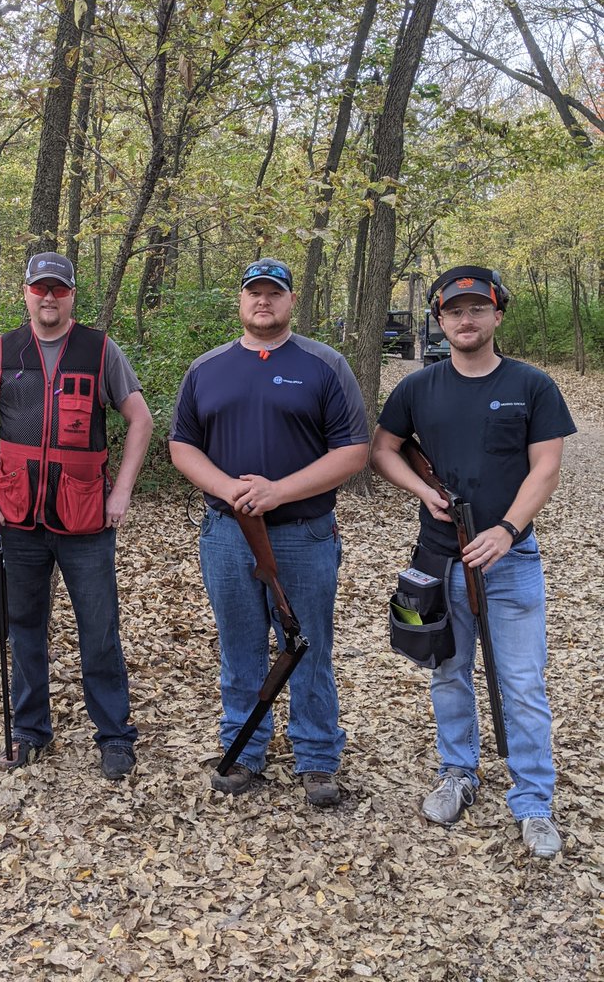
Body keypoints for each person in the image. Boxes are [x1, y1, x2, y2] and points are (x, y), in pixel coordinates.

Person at [370, 266, 575, 860]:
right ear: (440, 319)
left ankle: (534, 800)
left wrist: (509, 530)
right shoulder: (418, 388)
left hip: (510, 561)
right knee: (448, 671)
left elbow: (546, 468)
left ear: (497, 315)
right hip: (439, 559)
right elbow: (382, 449)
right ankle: (457, 773)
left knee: (522, 684)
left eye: (477, 309)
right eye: (454, 310)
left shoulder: (533, 385)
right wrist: (422, 490)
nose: (466, 319)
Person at [169, 258, 369, 801]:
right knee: (239, 647)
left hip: (304, 533)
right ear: (240, 301)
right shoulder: (206, 369)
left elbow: (353, 451)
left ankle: (318, 756)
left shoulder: (325, 365)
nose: (264, 301)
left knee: (306, 645)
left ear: (290, 301)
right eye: (254, 292)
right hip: (227, 534)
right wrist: (227, 488)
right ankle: (243, 750)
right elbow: (181, 445)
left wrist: (280, 490)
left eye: (274, 293)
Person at [0, 252, 153, 781]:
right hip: (18, 518)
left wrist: (123, 492)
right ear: (25, 292)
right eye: (40, 288)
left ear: (71, 295)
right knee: (24, 627)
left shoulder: (99, 350)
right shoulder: (0, 352)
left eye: (59, 289)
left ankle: (114, 736)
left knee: (99, 629)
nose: (49, 297)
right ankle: (29, 731)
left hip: (86, 519)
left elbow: (140, 420)